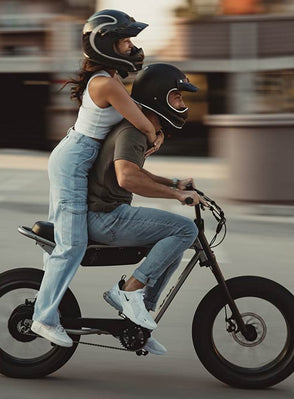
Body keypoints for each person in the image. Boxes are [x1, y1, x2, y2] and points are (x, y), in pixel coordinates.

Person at [31, 9, 164, 347]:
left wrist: (151, 131)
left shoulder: (110, 79)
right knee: (71, 244)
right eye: (124, 41)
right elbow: (141, 122)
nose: (131, 47)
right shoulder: (107, 85)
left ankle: (51, 306)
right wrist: (155, 133)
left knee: (64, 242)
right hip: (74, 161)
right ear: (104, 45)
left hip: (76, 157)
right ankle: (43, 318)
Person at [86, 63, 206, 354]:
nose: (182, 104)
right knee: (185, 229)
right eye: (177, 97)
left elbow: (135, 172)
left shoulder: (141, 129)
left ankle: (139, 322)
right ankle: (128, 291)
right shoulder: (133, 131)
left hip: (109, 215)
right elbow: (127, 177)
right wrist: (175, 196)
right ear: (158, 97)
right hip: (105, 217)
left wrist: (175, 183)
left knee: (178, 242)